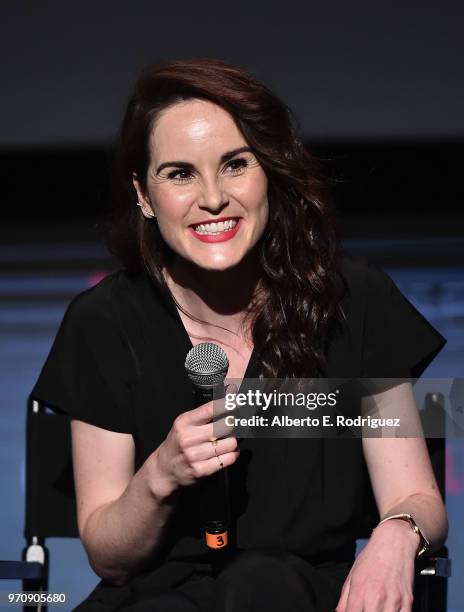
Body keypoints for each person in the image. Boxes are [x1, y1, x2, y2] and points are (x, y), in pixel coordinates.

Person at [31, 59, 448, 612]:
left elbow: (416, 497)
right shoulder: (103, 321)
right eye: (180, 174)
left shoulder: (355, 299)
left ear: (269, 172)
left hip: (304, 594)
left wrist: (396, 536)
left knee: (262, 585)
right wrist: (159, 475)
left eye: (234, 165)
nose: (212, 198)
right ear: (144, 196)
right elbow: (109, 558)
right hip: (156, 601)